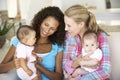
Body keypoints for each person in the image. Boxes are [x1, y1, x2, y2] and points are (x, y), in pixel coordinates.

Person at [0, 6, 65, 80]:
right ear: (40, 21)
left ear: (57, 30)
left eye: (52, 29)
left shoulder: (57, 46)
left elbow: (59, 77)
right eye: (46, 25)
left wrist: (38, 66)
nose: (47, 30)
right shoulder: (21, 41)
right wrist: (13, 64)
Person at [63, 4, 110, 80]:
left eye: (69, 25)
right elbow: (65, 65)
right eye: (65, 24)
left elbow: (105, 71)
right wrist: (78, 62)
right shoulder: (69, 36)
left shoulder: (100, 36)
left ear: (81, 24)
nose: (65, 28)